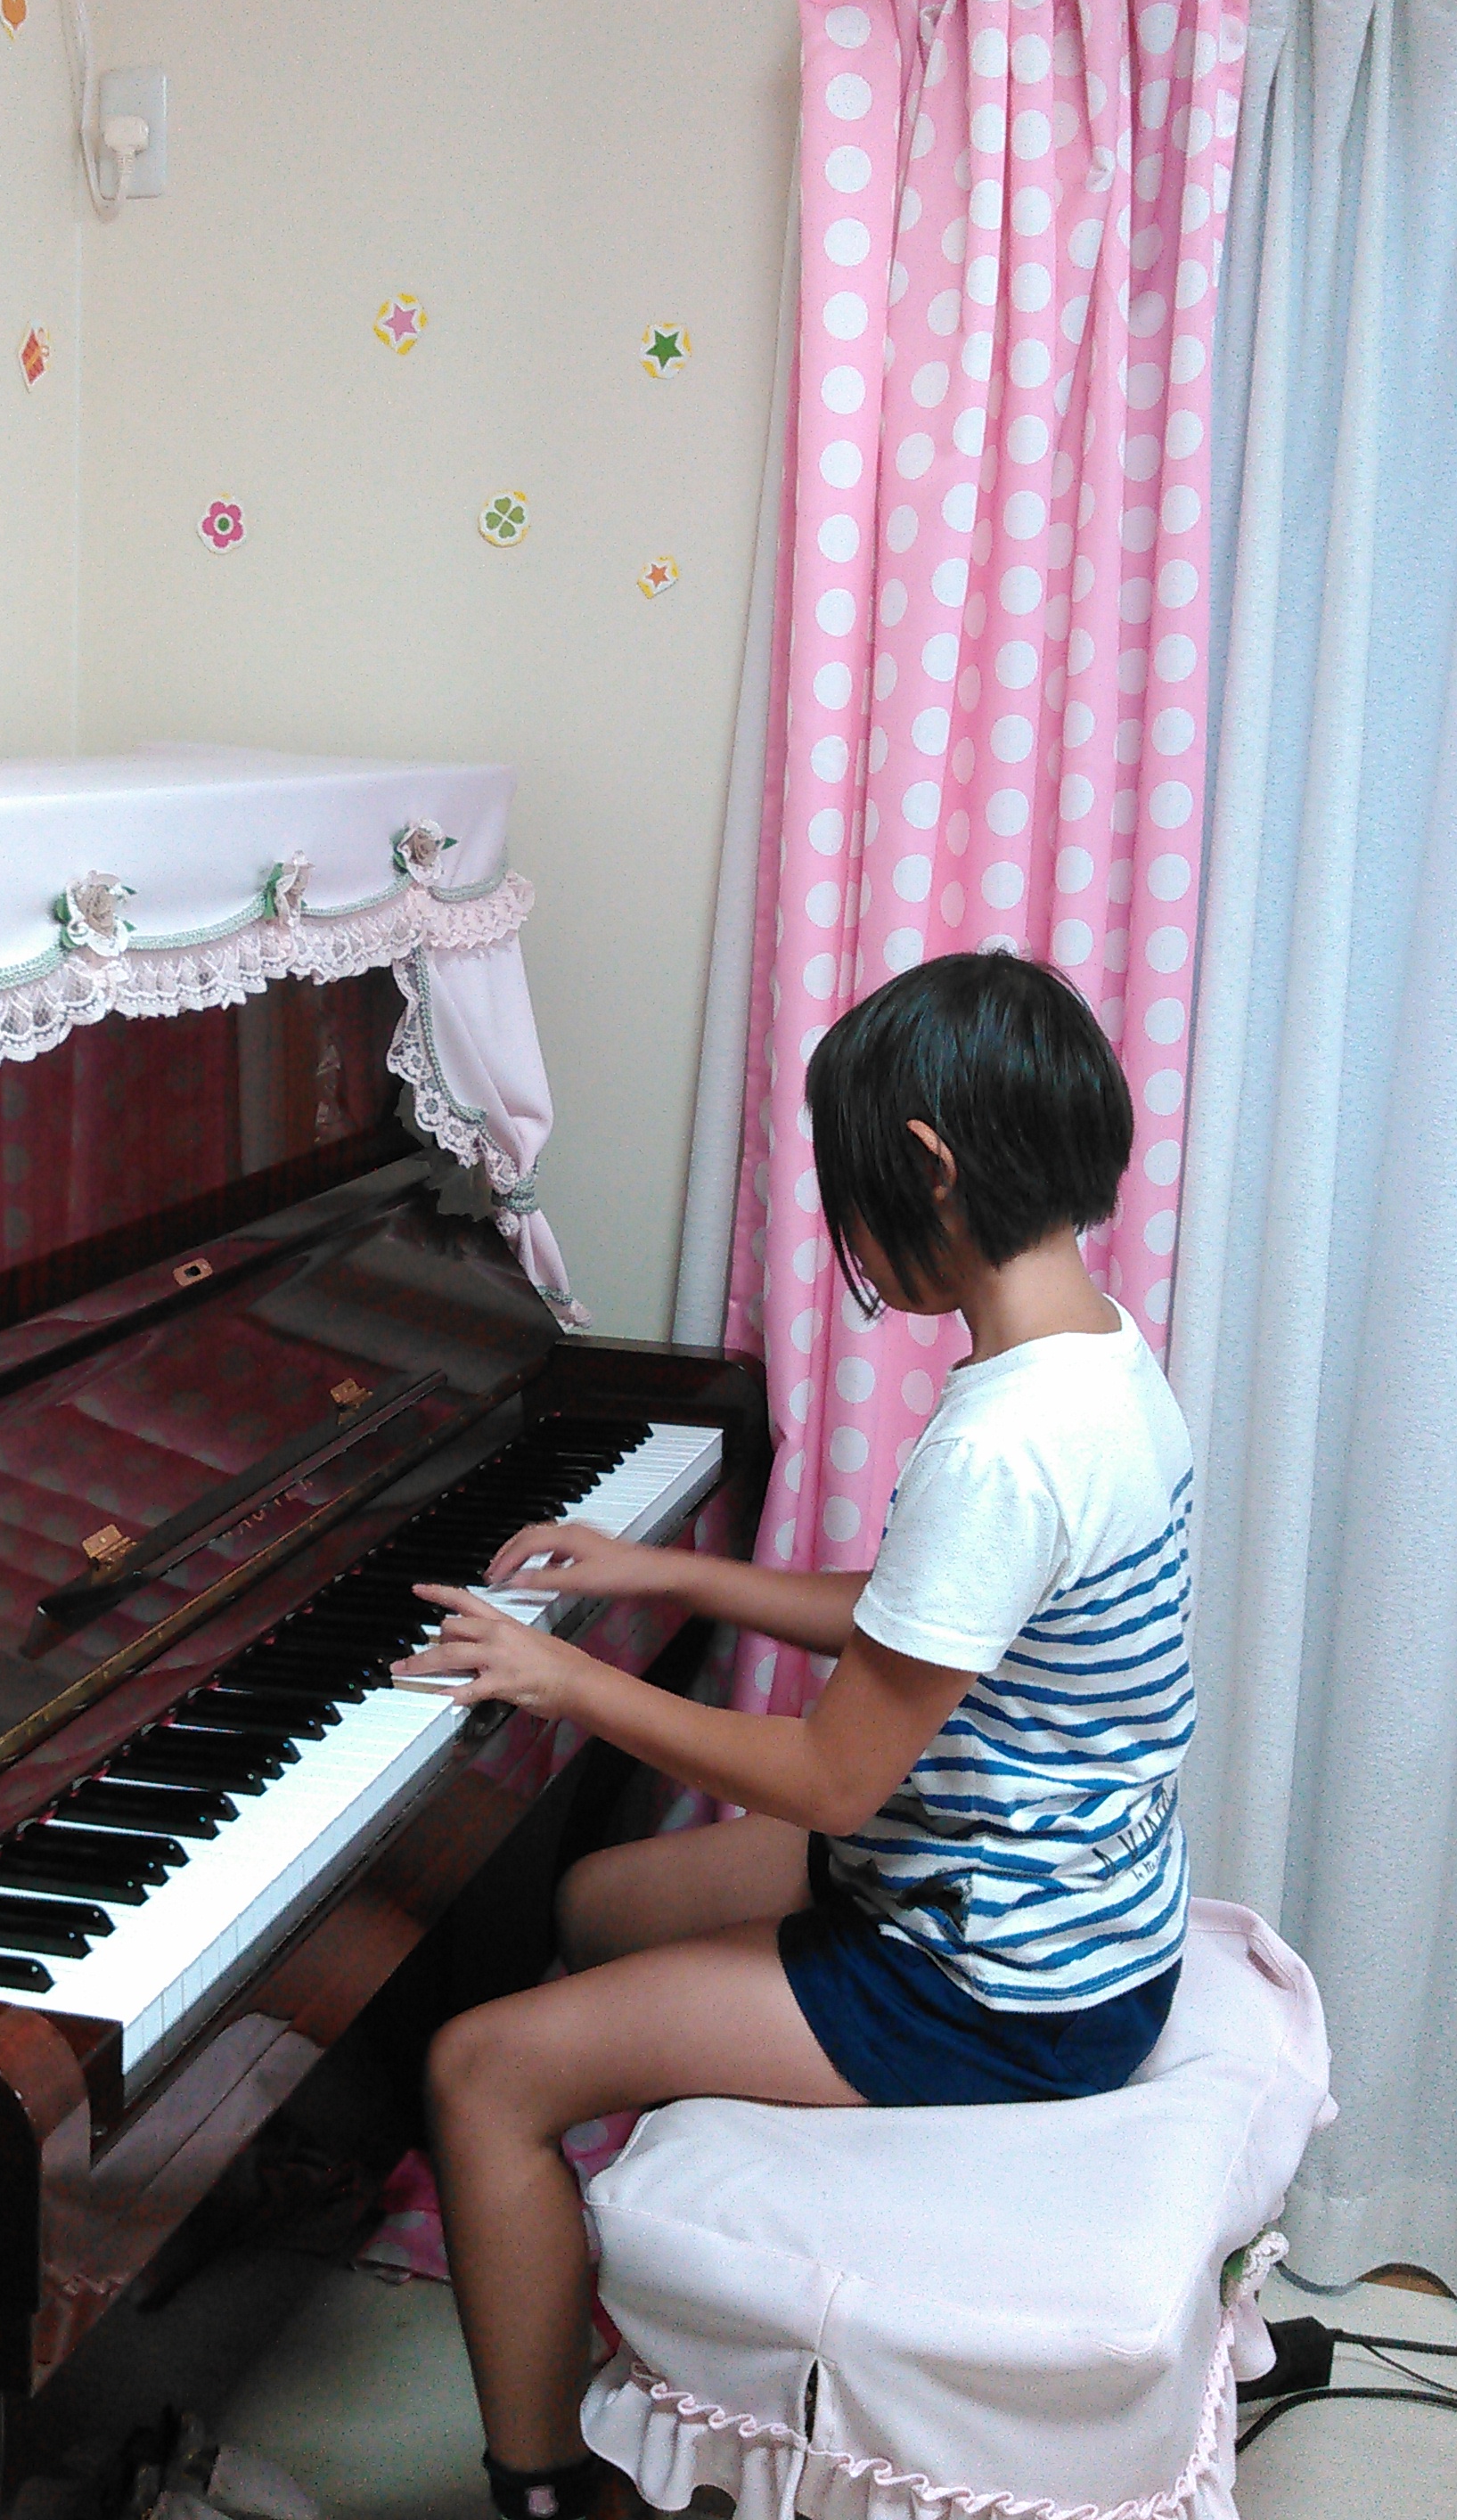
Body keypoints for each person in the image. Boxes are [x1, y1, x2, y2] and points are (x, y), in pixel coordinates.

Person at [396, 952, 1195, 2520]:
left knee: (478, 2069)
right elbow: (925, 1622)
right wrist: (669, 1572)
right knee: (598, 1902)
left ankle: (546, 2488)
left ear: (928, 1166)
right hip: (1068, 1907)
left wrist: (565, 1681)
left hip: (994, 1983)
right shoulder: (1099, 1358)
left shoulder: (1008, 1442)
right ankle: (656, 2294)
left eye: (850, 1191)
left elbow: (834, 1779)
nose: (849, 1236)